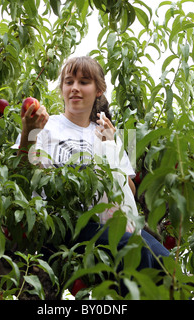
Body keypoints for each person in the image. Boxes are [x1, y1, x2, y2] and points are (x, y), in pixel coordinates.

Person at [14, 56, 169, 293]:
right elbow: (21, 175)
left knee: (168, 264)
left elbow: (130, 188)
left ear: (99, 90)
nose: (75, 88)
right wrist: (29, 131)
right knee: (134, 250)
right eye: (69, 81)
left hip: (106, 226)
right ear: (62, 89)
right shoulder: (46, 125)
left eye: (84, 81)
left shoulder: (106, 132)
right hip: (64, 224)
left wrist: (110, 145)